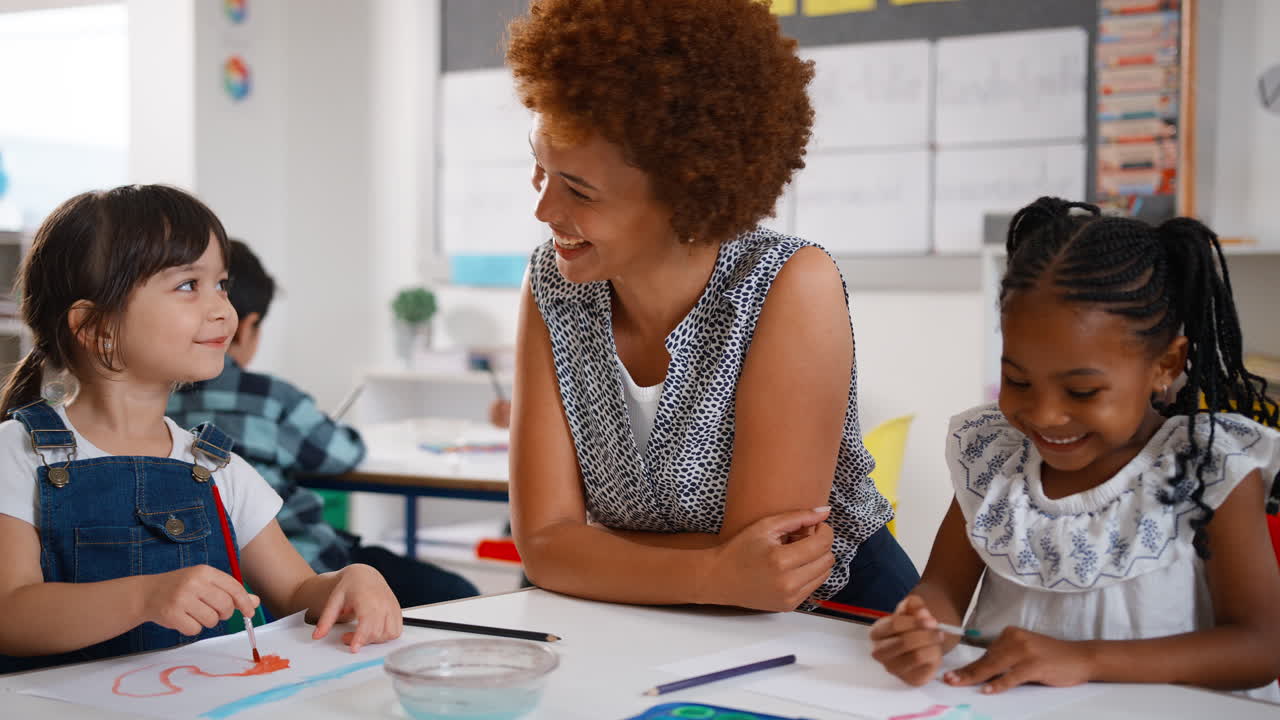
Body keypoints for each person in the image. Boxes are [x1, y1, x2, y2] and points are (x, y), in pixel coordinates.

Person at [506, 0, 918, 613]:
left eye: (579, 189)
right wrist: (713, 573)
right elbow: (541, 547)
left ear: (683, 190)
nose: (543, 211)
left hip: (835, 621)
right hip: (653, 617)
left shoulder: (790, 284)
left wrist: (590, 551)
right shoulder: (553, 281)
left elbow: (772, 574)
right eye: (540, 170)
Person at [870, 197, 1280, 701]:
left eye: (1082, 391)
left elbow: (1260, 648)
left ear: (1167, 365)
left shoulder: (1207, 467)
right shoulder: (993, 458)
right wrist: (923, 626)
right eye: (1016, 379)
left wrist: (1085, 659)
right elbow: (942, 590)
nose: (1043, 415)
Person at [0, 186, 402, 673]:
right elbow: (10, 613)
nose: (223, 310)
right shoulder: (17, 455)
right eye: (189, 285)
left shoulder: (214, 466)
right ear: (96, 326)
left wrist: (350, 580)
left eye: (222, 284)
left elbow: (297, 592)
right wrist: (143, 597)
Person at [167, 240, 478, 607]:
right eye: (188, 287)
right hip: (306, 566)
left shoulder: (161, 407)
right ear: (249, 326)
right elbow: (343, 453)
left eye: (220, 286)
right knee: (457, 596)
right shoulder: (269, 399)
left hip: (230, 583)